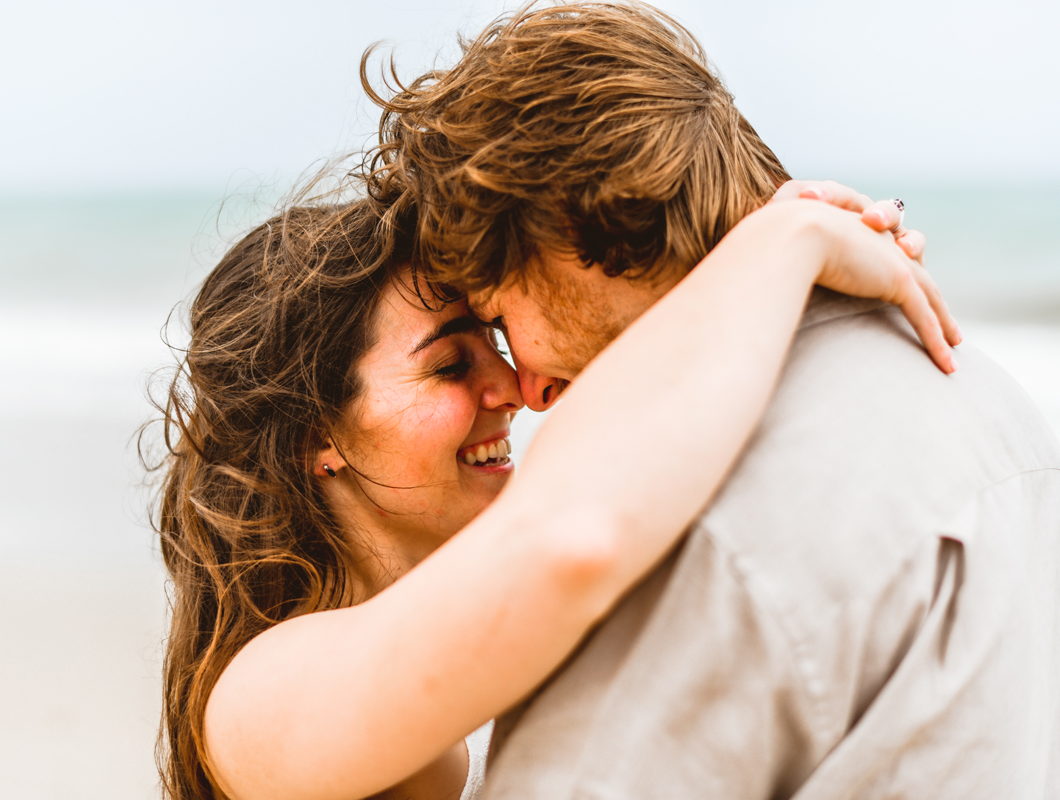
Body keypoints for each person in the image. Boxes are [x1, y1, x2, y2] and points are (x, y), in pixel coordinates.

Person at [365, 3, 1060, 798]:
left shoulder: (688, 518)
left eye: (499, 316)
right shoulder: (990, 402)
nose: (530, 390)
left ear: (567, 223)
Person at [150, 177, 954, 800]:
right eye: (450, 364)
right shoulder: (255, 701)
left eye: (495, 341)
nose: (510, 384)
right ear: (315, 438)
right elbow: (575, 536)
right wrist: (782, 244)